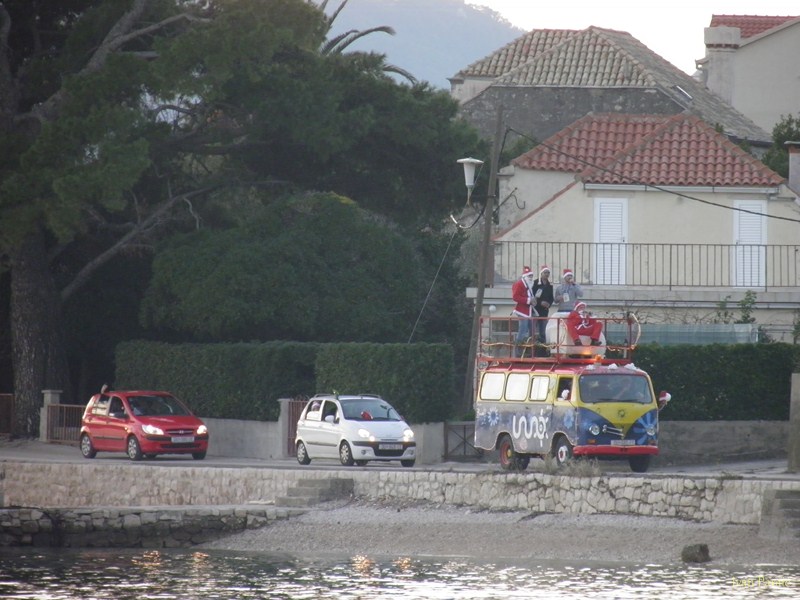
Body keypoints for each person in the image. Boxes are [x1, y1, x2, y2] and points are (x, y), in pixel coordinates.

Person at [511, 265, 536, 356]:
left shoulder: (528, 285)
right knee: (523, 330)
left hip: (528, 311)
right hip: (522, 311)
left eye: (532, 276)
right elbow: (515, 297)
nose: (531, 278)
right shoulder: (519, 284)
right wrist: (528, 300)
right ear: (525, 276)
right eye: (529, 276)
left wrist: (533, 301)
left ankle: (529, 350)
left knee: (531, 330)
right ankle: (518, 352)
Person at [531, 265, 554, 344]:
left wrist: (549, 304)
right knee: (532, 329)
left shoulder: (550, 285)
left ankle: (542, 345)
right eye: (545, 272)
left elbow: (551, 297)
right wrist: (540, 303)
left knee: (543, 329)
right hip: (535, 310)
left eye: (548, 273)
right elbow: (532, 296)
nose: (547, 274)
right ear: (541, 273)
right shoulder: (535, 283)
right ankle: (532, 344)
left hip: (544, 311)